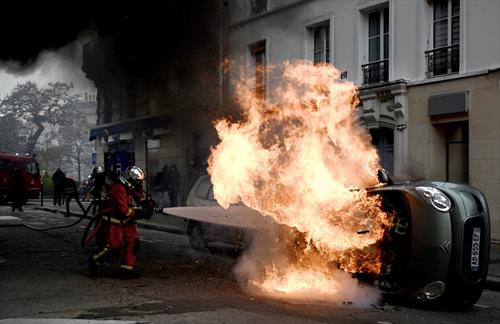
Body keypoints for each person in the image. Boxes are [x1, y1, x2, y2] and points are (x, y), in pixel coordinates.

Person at [88, 165, 151, 279]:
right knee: (113, 247)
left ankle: (126, 270)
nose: (139, 183)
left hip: (127, 221)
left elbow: (140, 197)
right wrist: (139, 213)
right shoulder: (119, 187)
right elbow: (123, 210)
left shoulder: (133, 186)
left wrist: (148, 204)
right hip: (114, 221)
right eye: (138, 181)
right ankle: (94, 260)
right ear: (130, 178)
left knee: (134, 242)